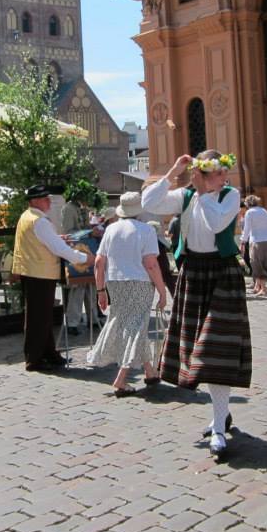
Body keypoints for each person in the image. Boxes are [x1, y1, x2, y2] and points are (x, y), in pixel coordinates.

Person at [141, 150, 251, 460]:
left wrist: (203, 192)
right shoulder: (187, 194)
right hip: (193, 273)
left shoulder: (230, 195)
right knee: (198, 351)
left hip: (222, 274)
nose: (219, 177)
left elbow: (217, 226)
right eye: (212, 172)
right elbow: (148, 204)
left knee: (216, 350)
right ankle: (221, 415)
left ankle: (218, 427)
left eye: (219, 172)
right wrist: (172, 172)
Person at [87, 192, 168, 396]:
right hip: (139, 282)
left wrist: (100, 290)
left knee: (128, 323)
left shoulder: (111, 229)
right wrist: (161, 290)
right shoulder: (146, 230)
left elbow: (98, 263)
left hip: (115, 282)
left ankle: (150, 372)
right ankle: (122, 378)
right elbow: (151, 264)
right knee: (136, 326)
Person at [12, 184, 93, 372]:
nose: (49, 201)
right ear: (34, 201)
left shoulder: (29, 217)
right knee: (38, 318)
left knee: (42, 316)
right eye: (45, 199)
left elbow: (48, 242)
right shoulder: (39, 221)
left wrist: (59, 239)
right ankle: (35, 359)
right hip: (39, 273)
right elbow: (59, 249)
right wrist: (85, 259)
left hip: (34, 272)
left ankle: (48, 353)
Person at [64, 215, 105, 337]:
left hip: (89, 247)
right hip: (77, 248)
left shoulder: (84, 209)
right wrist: (89, 232)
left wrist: (93, 232)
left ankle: (93, 319)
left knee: (92, 288)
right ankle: (72, 323)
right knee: (77, 290)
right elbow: (69, 232)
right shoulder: (69, 209)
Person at [242, 195, 267, 297]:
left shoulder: (249, 213)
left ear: (247, 204)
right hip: (266, 240)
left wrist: (243, 241)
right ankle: (258, 286)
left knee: (256, 264)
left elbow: (247, 229)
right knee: (263, 263)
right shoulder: (264, 211)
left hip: (256, 240)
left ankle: (263, 289)